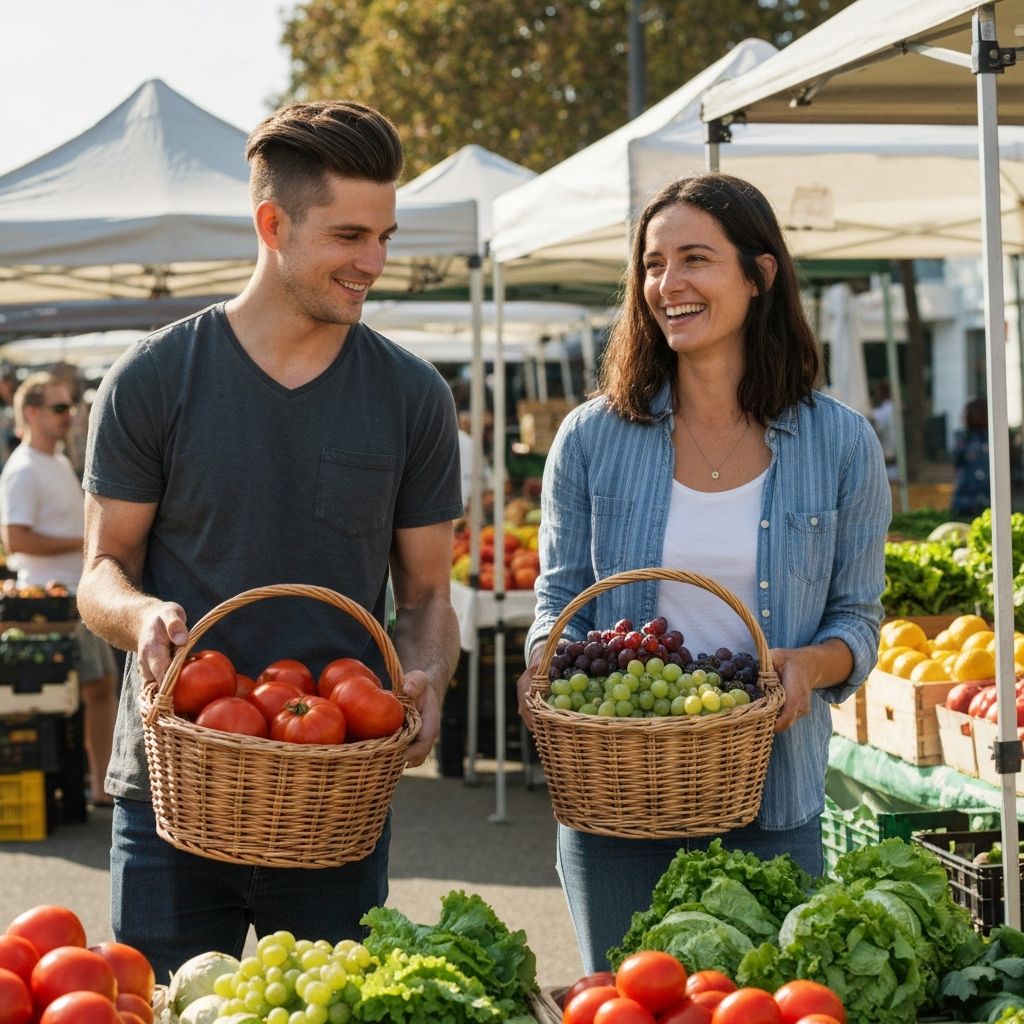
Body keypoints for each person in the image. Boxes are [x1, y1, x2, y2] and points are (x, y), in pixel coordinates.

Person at [77, 101, 463, 979]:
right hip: (174, 793)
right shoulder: (153, 378)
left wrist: (430, 674)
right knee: (161, 1005)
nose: (374, 263)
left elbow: (427, 597)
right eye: (349, 236)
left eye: (385, 237)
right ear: (272, 225)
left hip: (336, 792)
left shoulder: (413, 397)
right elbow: (102, 570)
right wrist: (140, 616)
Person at [516, 173, 891, 973]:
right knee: (626, 1004)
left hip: (772, 797)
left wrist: (809, 666)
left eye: (695, 259)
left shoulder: (841, 444)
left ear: (759, 275)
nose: (667, 285)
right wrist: (546, 663)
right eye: (652, 264)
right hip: (617, 799)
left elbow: (857, 619)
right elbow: (559, 599)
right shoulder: (591, 438)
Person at [0, 371, 118, 807]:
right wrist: (84, 542)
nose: (68, 414)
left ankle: (100, 782)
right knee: (85, 693)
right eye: (58, 407)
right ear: (31, 413)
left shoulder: (57, 461)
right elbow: (16, 539)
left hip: (76, 596)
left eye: (69, 406)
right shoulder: (23, 469)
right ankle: (97, 785)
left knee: (100, 687)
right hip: (50, 604)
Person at [950, 396, 990, 519]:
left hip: (970, 497)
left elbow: (957, 460)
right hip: (976, 497)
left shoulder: (968, 438)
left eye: (966, 412)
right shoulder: (966, 437)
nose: (963, 416)